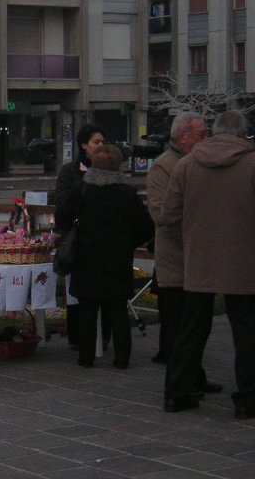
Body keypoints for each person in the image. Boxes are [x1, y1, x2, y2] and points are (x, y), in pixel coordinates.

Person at [161, 110, 255, 418]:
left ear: (213, 132)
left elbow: (169, 217)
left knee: (190, 330)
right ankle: (247, 399)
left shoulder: (187, 165)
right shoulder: (251, 163)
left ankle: (176, 394)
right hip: (244, 261)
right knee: (246, 333)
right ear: (243, 134)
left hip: (198, 260)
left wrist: (191, 239)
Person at [55, 145, 154, 369]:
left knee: (88, 309)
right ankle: (122, 359)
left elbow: (61, 218)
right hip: (118, 256)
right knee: (118, 308)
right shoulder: (126, 193)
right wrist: (129, 242)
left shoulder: (82, 189)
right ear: (118, 165)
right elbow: (147, 227)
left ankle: (86, 357)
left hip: (86, 256)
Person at [146, 112, 222, 395]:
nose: (206, 139)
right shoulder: (164, 167)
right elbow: (160, 213)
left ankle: (195, 378)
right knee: (181, 328)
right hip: (176, 261)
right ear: (183, 137)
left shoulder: (198, 163)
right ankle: (183, 385)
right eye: (201, 134)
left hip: (199, 261)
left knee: (198, 327)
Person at [55, 124, 106, 349]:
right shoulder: (70, 171)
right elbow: (63, 204)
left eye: (103, 142)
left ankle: (104, 336)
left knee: (105, 293)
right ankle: (78, 338)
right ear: (84, 145)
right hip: (78, 238)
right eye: (96, 142)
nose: (101, 146)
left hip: (104, 239)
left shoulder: (110, 168)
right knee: (77, 292)